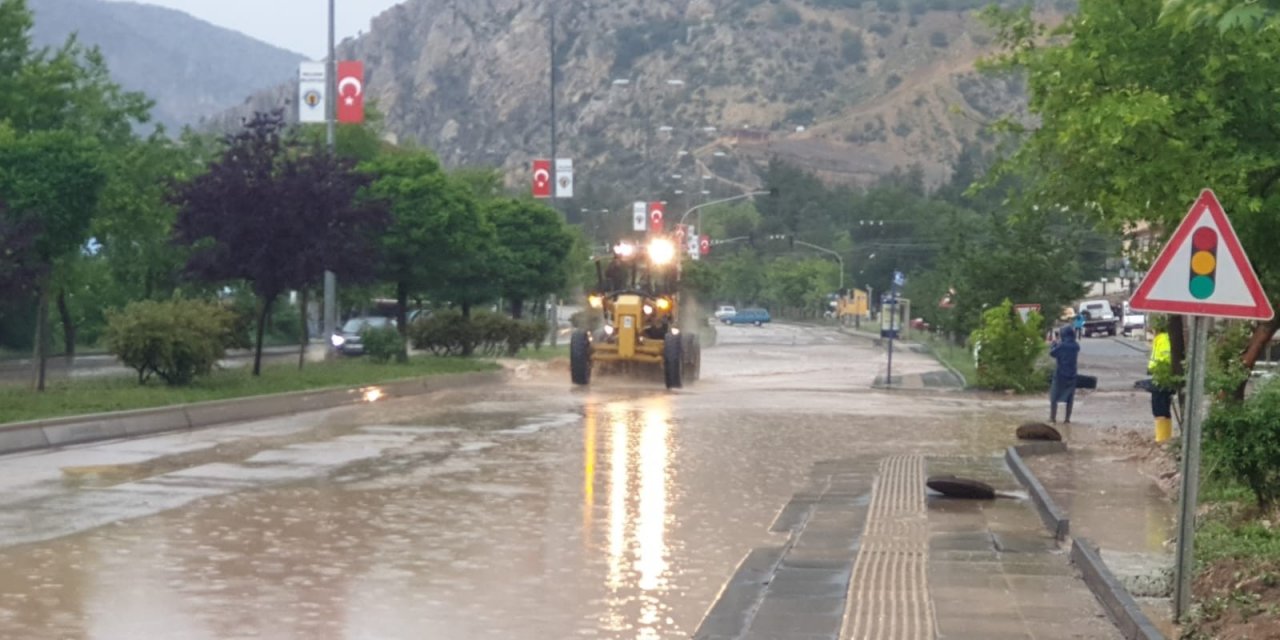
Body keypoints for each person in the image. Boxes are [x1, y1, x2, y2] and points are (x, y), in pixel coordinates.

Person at [1148, 317, 1174, 442]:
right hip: (1159, 376)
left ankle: (1162, 438)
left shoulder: (1163, 338)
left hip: (1161, 378)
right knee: (1161, 408)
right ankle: (1163, 437)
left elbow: (1165, 357)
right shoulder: (1161, 338)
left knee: (1160, 408)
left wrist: (1158, 370)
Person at [1049, 325, 1080, 423]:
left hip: (1060, 374)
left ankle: (1053, 418)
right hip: (1072, 375)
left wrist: (1054, 344)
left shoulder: (1062, 345)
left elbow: (1052, 353)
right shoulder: (1076, 346)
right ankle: (1067, 419)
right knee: (1070, 398)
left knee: (1054, 397)